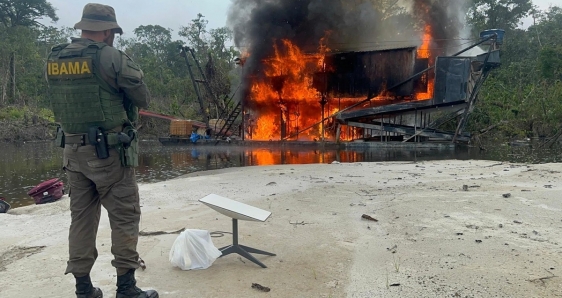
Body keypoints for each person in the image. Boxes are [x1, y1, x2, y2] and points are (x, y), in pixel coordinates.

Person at [45, 3, 158, 298]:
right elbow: (142, 98)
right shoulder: (111, 58)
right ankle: (126, 288)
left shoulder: (55, 57)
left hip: (72, 151)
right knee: (124, 216)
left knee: (81, 219)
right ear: (108, 31)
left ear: (83, 27)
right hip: (108, 154)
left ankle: (84, 289)